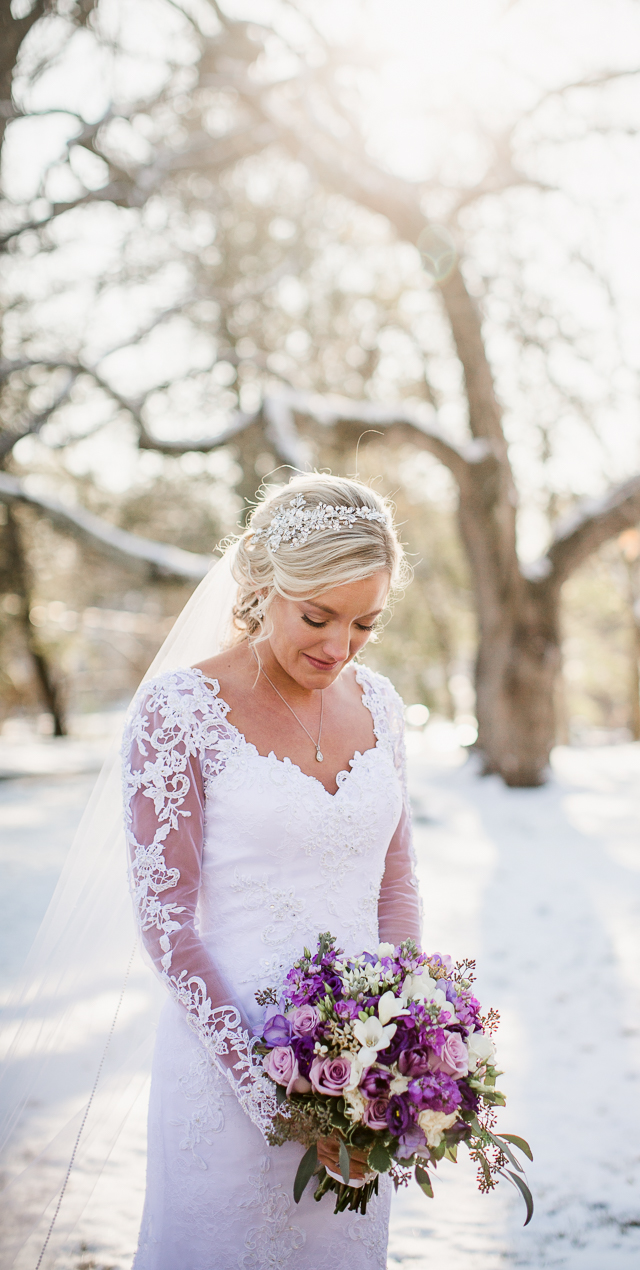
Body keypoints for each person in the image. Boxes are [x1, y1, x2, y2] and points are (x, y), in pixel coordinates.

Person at [122, 474, 421, 1270]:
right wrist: (276, 1099)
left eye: (365, 623)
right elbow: (165, 920)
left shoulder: (382, 706)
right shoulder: (179, 711)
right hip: (224, 1074)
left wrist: (393, 1054)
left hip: (360, 1082)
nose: (339, 646)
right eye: (317, 616)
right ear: (264, 589)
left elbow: (395, 886)